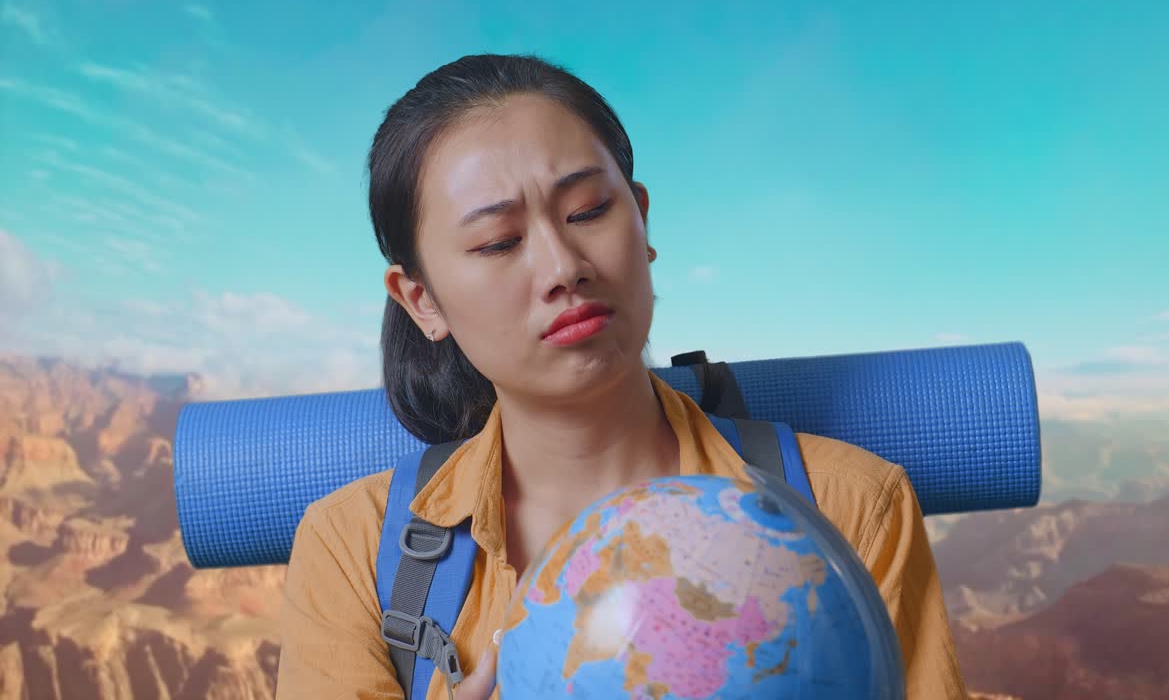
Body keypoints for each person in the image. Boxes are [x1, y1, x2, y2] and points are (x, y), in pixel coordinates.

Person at [275, 53, 969, 700]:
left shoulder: (851, 509)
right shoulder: (353, 547)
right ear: (422, 300)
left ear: (641, 218)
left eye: (587, 212)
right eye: (498, 242)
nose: (562, 267)